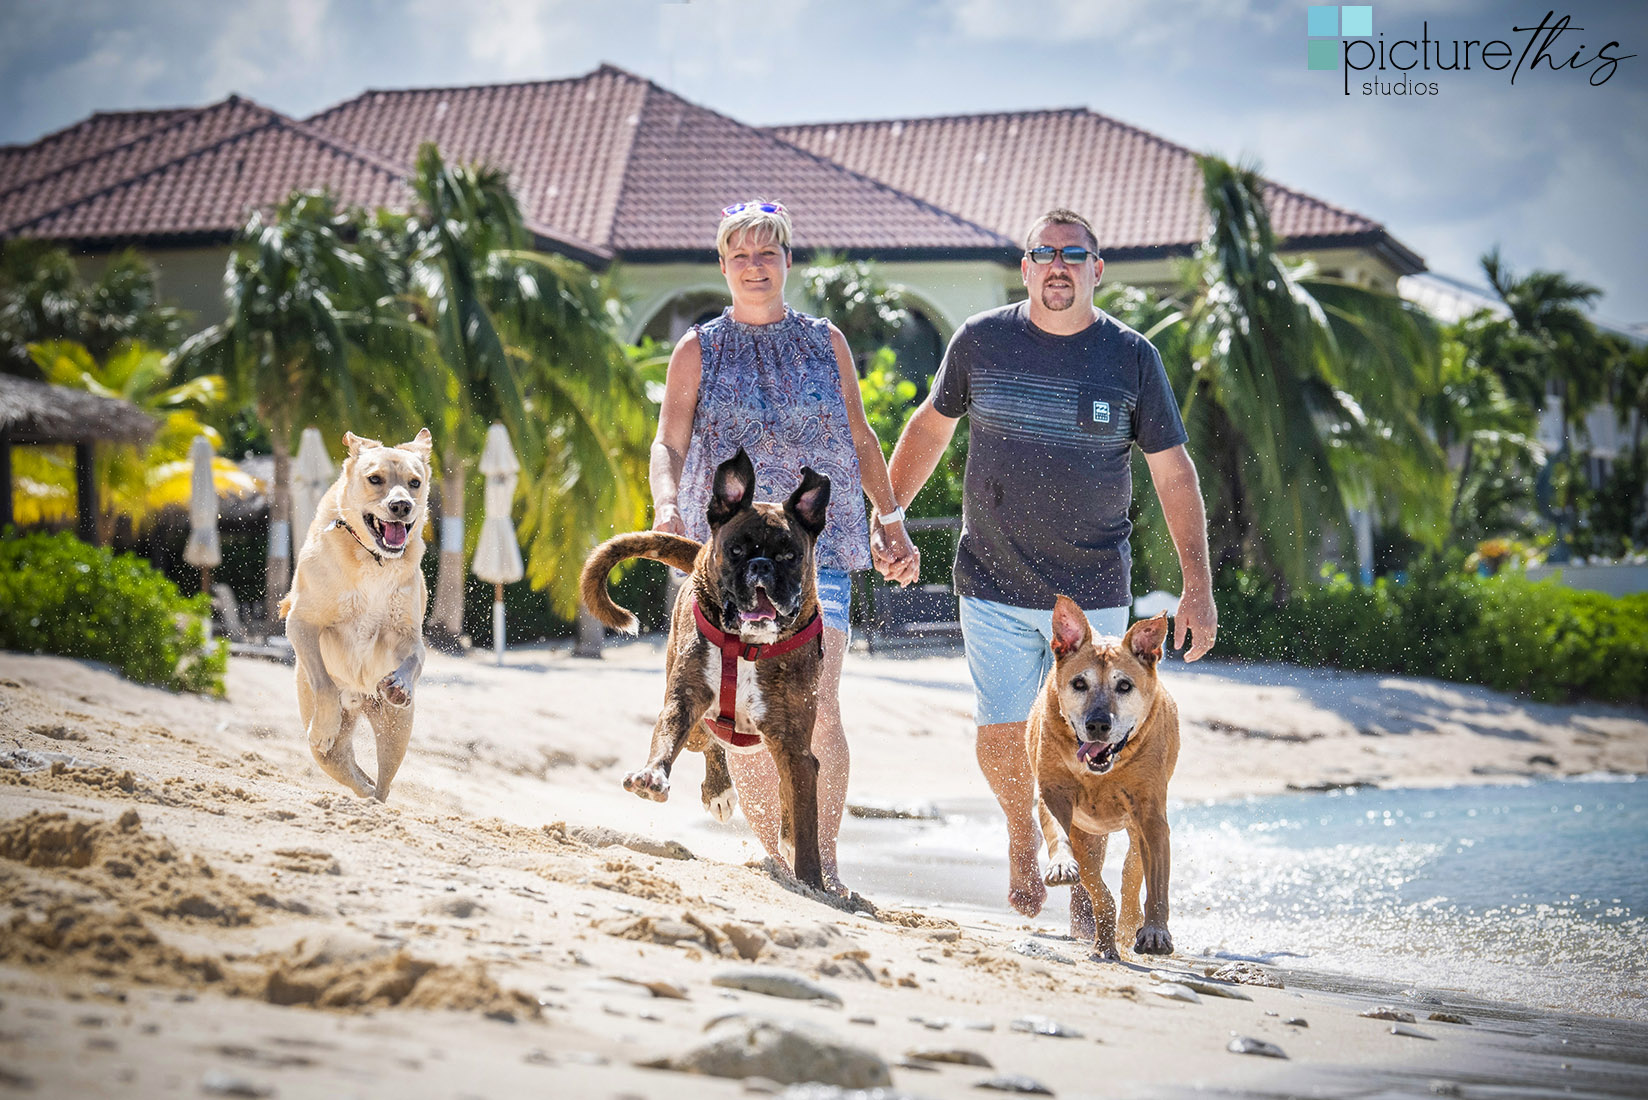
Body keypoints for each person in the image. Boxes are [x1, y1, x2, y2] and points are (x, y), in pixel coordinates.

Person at [877, 208, 1217, 932]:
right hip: (993, 578)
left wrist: (1200, 587)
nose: (1057, 265)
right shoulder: (982, 341)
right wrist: (890, 517)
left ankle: (1086, 895)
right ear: (1025, 268)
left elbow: (1174, 474)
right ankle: (1025, 839)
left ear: (1098, 269)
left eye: (1074, 253)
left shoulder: (1131, 357)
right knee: (1003, 731)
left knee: (1095, 736)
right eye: (1044, 253)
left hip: (1093, 592)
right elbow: (929, 429)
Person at [650, 199, 916, 894]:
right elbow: (669, 441)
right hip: (732, 568)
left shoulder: (825, 340)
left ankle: (823, 863)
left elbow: (860, 437)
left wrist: (891, 518)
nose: (754, 267)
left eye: (767, 254)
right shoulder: (698, 348)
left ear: (788, 261)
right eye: (740, 255)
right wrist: (666, 505)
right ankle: (775, 860)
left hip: (813, 558)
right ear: (723, 266)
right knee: (745, 709)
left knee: (817, 705)